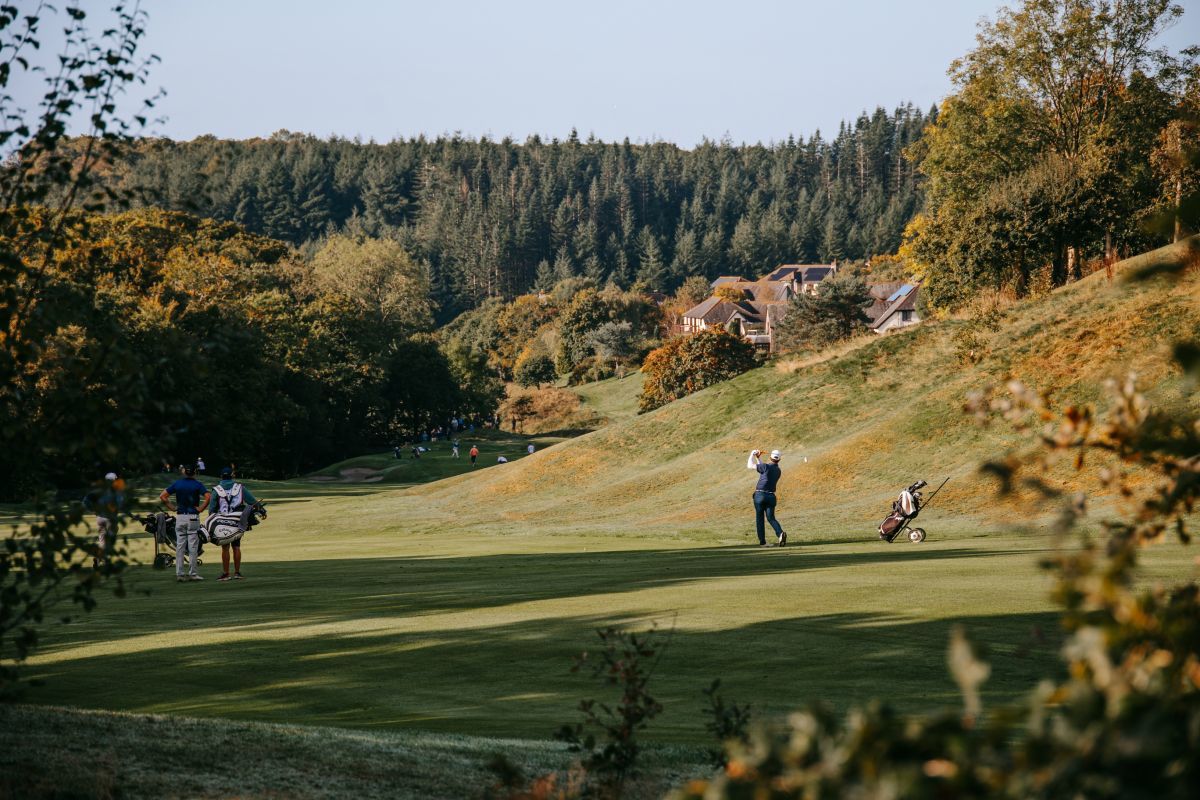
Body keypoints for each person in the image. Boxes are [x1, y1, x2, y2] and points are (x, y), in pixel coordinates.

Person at [208, 466, 258, 582]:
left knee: (225, 548)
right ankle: (237, 572)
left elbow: (212, 510)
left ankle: (226, 573)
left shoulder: (217, 489)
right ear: (232, 475)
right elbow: (252, 502)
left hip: (222, 522)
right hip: (237, 521)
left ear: (221, 476)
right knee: (236, 546)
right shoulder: (240, 488)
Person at [161, 466, 210, 582]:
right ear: (194, 473)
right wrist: (201, 508)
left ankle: (180, 574)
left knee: (180, 546)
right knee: (193, 547)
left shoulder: (177, 484)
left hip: (180, 517)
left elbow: (162, 496)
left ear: (184, 473)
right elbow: (208, 497)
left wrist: (172, 508)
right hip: (193, 517)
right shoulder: (198, 484)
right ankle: (193, 573)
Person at [83, 471, 126, 567]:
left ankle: (98, 559)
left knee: (102, 540)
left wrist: (93, 510)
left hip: (100, 518)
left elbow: (85, 501)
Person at [747, 449, 787, 547]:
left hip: (760, 496)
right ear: (779, 460)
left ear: (770, 457)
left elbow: (749, 466)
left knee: (760, 519)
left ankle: (763, 542)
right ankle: (780, 533)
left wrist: (752, 454)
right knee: (771, 518)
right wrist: (758, 458)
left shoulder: (765, 466)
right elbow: (762, 469)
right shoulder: (778, 470)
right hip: (771, 497)